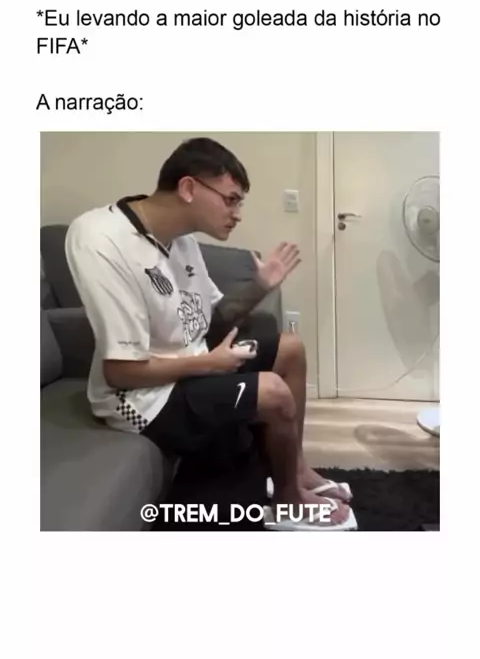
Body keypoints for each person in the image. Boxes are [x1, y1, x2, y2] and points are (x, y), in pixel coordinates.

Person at [66, 137, 354, 529]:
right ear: (188, 188)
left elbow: (212, 321)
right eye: (231, 200)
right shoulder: (100, 239)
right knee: (272, 392)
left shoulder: (181, 239)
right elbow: (120, 373)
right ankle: (290, 502)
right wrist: (210, 364)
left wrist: (260, 286)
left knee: (291, 349)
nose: (237, 214)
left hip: (187, 366)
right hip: (139, 399)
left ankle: (297, 471)